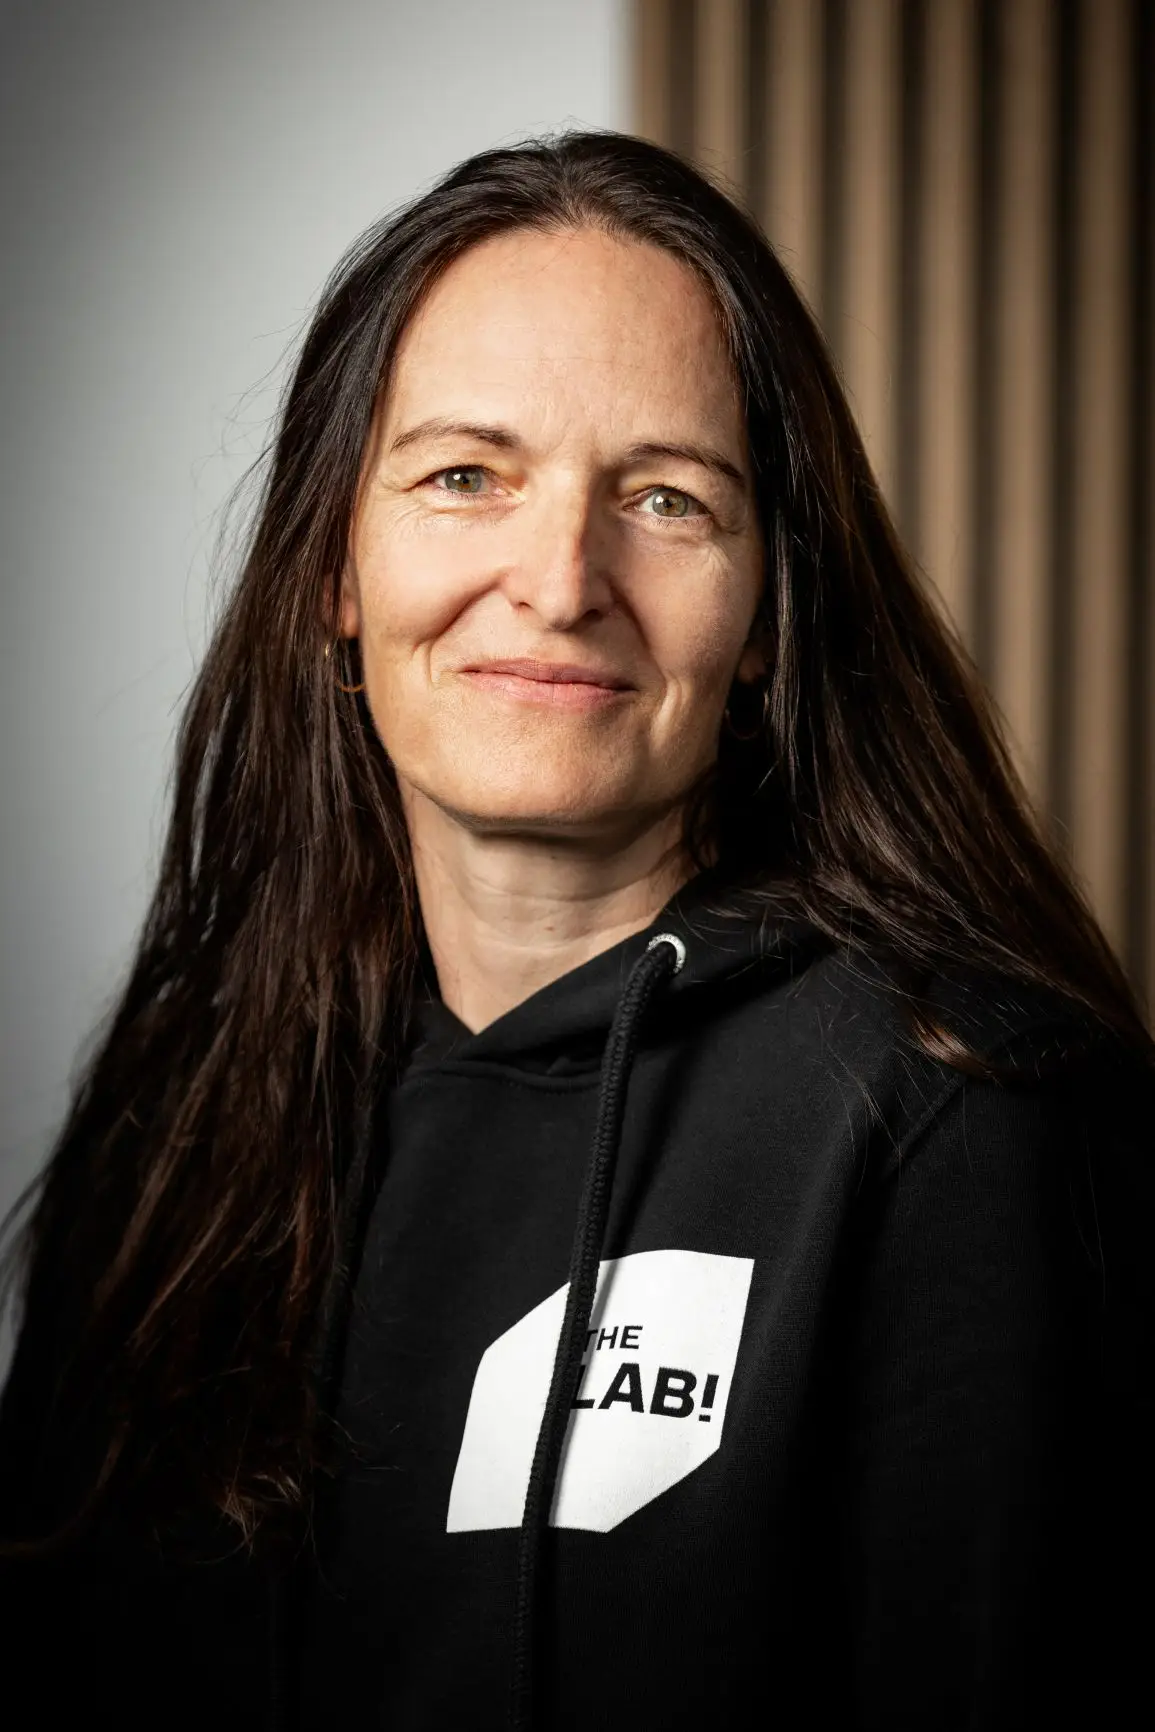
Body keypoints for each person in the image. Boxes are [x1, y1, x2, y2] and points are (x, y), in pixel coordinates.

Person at [0, 131, 1151, 1731]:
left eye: (665, 500)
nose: (556, 582)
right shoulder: (185, 1119)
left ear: (766, 616)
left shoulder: (962, 1112)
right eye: (464, 476)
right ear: (337, 567)